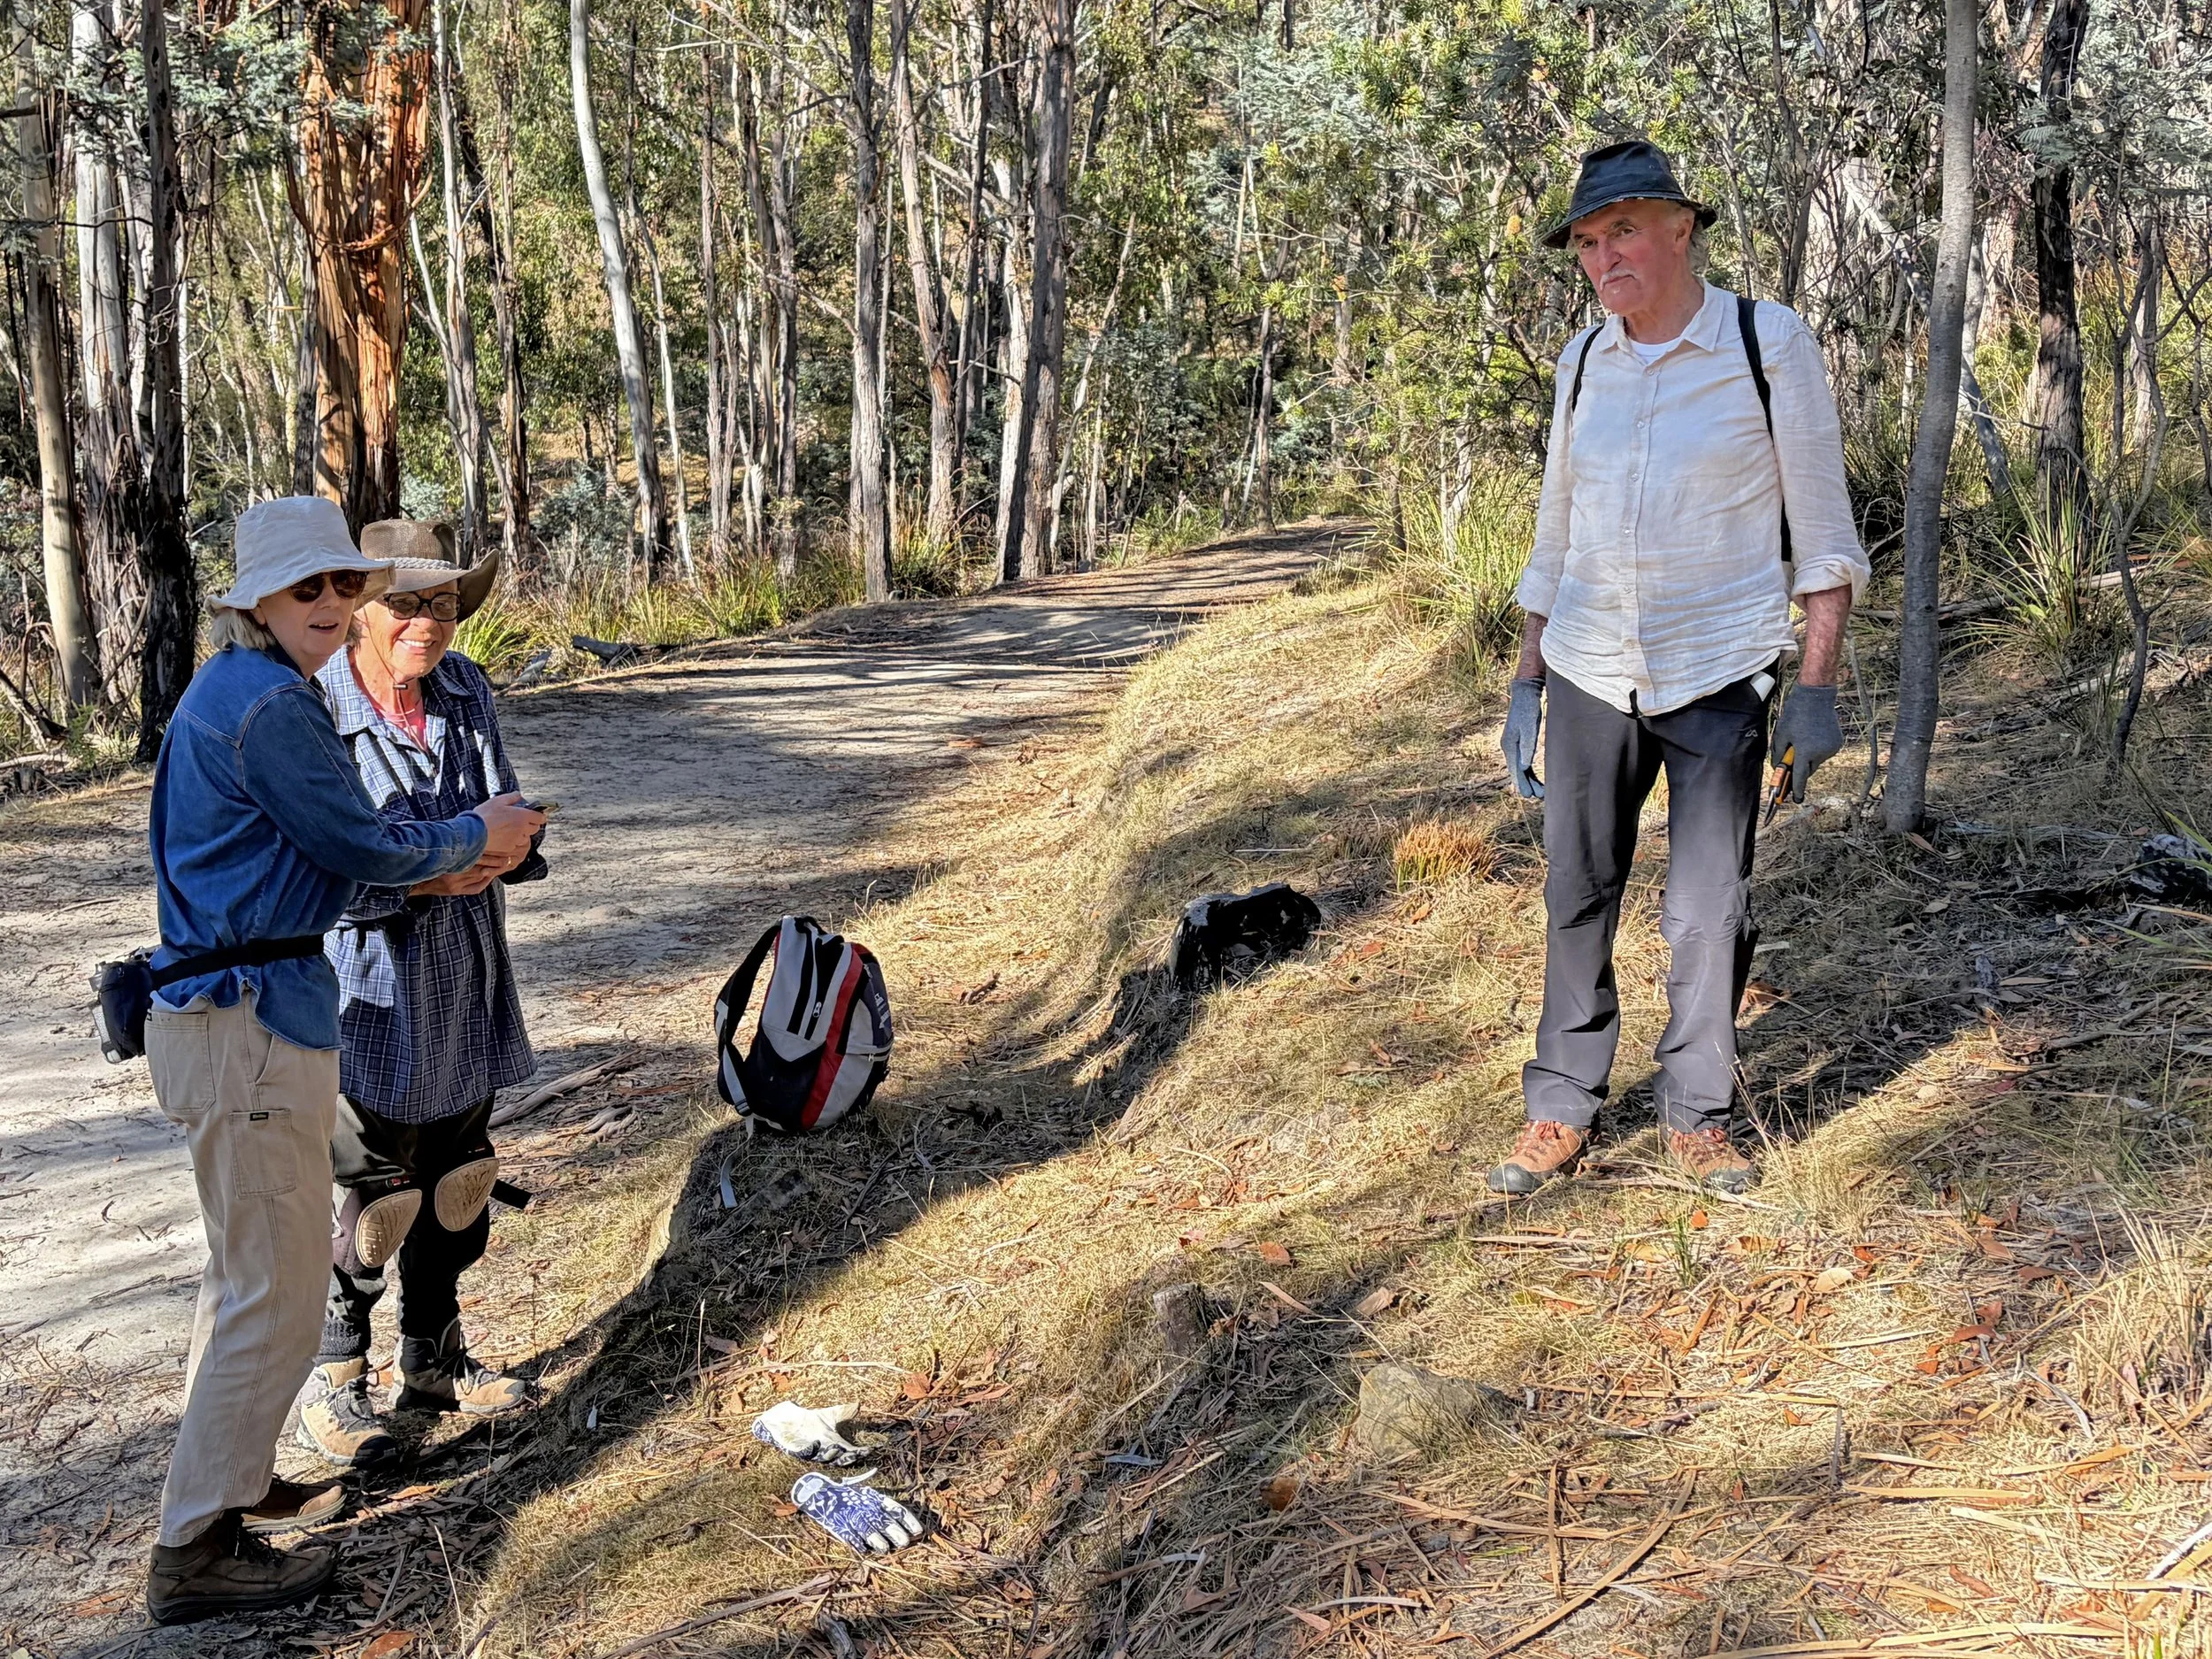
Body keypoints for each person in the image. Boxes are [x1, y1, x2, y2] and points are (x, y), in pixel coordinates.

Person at [142, 496, 544, 1624]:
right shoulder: (270, 704)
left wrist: (456, 864)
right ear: (256, 601)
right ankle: (197, 1551)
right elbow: (361, 844)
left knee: (247, 1285)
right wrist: (468, 843)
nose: (332, 603)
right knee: (272, 1294)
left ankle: (228, 1489)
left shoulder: (240, 690)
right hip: (250, 1020)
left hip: (247, 1007)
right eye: (308, 588)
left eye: (339, 583)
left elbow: (329, 864)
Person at [1487, 140, 1870, 1199]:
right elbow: (1554, 532)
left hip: (1718, 666)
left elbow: (1823, 532)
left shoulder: (1764, 341)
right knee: (1578, 890)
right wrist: (1525, 679)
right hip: (1587, 665)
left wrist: (1816, 687)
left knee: (1708, 907)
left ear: (1678, 229)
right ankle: (1560, 1102)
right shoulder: (1580, 363)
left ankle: (1697, 1115)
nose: (1603, 257)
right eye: (1587, 241)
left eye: (1621, 232)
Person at [296, 520, 542, 1470]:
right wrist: (430, 870)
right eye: (405, 602)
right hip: (367, 993)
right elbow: (310, 873)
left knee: (460, 1181)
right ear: (359, 607)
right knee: (371, 1197)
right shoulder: (311, 712)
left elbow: (503, 801)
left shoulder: (464, 687)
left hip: (466, 972)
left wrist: (510, 845)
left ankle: (434, 1360)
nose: (426, 624)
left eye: (442, 604)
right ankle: (334, 1380)